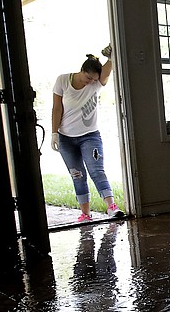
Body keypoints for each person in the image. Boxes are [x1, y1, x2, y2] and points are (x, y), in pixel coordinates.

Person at [51, 44, 124, 222]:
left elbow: (108, 68)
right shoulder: (62, 81)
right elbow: (57, 108)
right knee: (77, 174)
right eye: (88, 77)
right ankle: (85, 214)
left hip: (90, 136)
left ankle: (112, 207)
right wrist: (54, 133)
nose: (90, 82)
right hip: (66, 138)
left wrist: (112, 55)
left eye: (93, 79)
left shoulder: (96, 84)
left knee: (96, 170)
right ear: (81, 70)